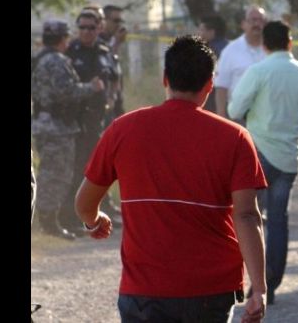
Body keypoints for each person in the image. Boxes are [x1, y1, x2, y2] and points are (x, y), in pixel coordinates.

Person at [75, 35, 268, 322]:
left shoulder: (122, 129)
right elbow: (247, 216)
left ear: (165, 78)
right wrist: (259, 290)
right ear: (209, 85)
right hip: (211, 290)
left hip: (142, 291)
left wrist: (94, 221)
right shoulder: (235, 138)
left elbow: (84, 202)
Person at [228, 21, 298, 305]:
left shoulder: (258, 71)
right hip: (290, 158)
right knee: (279, 221)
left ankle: (254, 284)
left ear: (264, 45)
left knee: (249, 218)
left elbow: (234, 109)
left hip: (259, 154)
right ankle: (272, 283)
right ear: (290, 43)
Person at [31, 20, 104, 240]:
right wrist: (92, 87)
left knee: (50, 172)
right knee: (56, 174)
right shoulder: (56, 61)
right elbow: (66, 92)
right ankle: (48, 222)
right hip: (56, 126)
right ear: (63, 39)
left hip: (45, 122)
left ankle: (50, 219)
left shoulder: (39, 59)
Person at [65, 9, 123, 233]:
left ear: (99, 28)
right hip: (76, 120)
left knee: (101, 167)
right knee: (77, 167)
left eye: (91, 27)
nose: (86, 32)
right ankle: (73, 217)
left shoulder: (104, 50)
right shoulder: (70, 51)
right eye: (82, 27)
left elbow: (115, 78)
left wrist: (111, 98)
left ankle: (102, 209)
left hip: (100, 118)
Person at [215, 6, 267, 120]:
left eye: (260, 20)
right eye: (253, 20)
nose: (257, 24)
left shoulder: (273, 49)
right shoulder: (230, 50)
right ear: (243, 24)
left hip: (268, 118)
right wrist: (221, 118)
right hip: (238, 116)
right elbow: (221, 86)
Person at [100, 5, 127, 125]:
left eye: (120, 21)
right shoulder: (98, 41)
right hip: (104, 104)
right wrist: (116, 43)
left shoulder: (112, 40)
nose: (118, 25)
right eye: (115, 21)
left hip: (116, 102)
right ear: (104, 21)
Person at [199, 14, 230, 113]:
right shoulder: (232, 47)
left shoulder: (210, 51)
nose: (199, 33)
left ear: (211, 32)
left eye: (202, 30)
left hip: (213, 100)